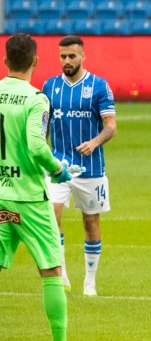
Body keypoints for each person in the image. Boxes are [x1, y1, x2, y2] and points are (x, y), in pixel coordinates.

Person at [0, 33, 93, 341]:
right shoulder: (36, 99)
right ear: (35, 62)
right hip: (28, 200)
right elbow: (38, 146)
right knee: (52, 270)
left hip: (0, 200)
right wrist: (59, 170)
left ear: (6, 60)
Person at [41, 36, 116, 297]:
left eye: (72, 56)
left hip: (91, 169)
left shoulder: (99, 86)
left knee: (91, 223)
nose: (67, 61)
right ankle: (61, 275)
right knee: (53, 217)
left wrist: (94, 142)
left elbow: (110, 126)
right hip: (58, 167)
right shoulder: (49, 87)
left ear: (83, 56)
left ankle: (90, 282)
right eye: (63, 56)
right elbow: (43, 127)